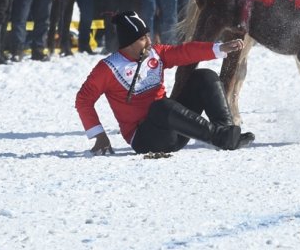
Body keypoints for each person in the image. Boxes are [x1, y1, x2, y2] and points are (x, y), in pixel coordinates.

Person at [75, 11, 253, 155]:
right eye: (143, 38)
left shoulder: (155, 54)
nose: (149, 41)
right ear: (129, 43)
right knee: (161, 107)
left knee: (204, 76)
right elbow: (83, 100)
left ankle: (228, 133)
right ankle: (220, 137)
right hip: (147, 139)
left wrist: (219, 48)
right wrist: (98, 135)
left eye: (148, 35)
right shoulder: (108, 68)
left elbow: (184, 52)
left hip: (175, 130)